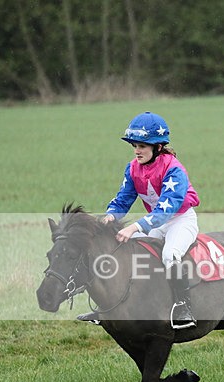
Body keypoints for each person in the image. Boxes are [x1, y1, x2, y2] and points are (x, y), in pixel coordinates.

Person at [78, 111, 200, 329]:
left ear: (158, 147)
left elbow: (166, 209)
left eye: (142, 146)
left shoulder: (174, 170)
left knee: (170, 254)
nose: (137, 151)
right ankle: (110, 307)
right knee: (130, 252)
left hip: (180, 220)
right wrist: (109, 216)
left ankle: (184, 307)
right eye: (134, 145)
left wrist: (135, 227)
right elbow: (123, 199)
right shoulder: (133, 168)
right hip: (156, 222)